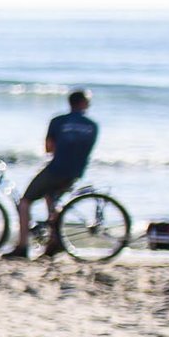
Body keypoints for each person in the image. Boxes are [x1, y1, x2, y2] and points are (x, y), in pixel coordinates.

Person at [13, 88, 98, 257]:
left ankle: (22, 246)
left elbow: (49, 148)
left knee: (24, 202)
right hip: (75, 172)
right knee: (51, 199)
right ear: (84, 103)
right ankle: (54, 241)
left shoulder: (58, 121)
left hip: (56, 169)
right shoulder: (92, 126)